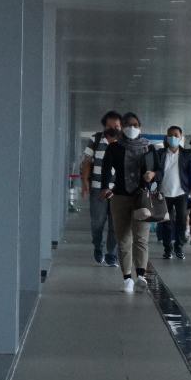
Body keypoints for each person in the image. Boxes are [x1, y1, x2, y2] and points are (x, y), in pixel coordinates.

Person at [100, 112, 156, 293]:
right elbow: (106, 169)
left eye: (135, 125)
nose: (132, 128)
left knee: (141, 238)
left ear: (140, 127)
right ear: (123, 127)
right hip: (120, 197)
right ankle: (127, 279)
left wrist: (153, 175)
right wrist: (104, 187)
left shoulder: (149, 147)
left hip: (142, 198)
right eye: (128, 124)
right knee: (123, 238)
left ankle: (140, 276)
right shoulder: (114, 148)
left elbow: (159, 170)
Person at [80, 110, 122, 266]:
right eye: (110, 126)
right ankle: (98, 246)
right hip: (98, 188)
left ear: (121, 127)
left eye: (116, 126)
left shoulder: (124, 142)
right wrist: (85, 181)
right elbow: (86, 162)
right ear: (104, 126)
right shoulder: (96, 139)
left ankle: (112, 253)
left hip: (118, 191)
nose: (113, 129)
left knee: (115, 224)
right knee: (97, 222)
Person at [152, 125, 191, 260]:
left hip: (181, 192)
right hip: (164, 193)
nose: (173, 137)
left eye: (176, 135)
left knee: (181, 220)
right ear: (166, 137)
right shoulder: (161, 154)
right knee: (166, 221)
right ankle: (167, 248)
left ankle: (179, 246)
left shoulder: (186, 154)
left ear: (180, 137)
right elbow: (155, 170)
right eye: (170, 135)